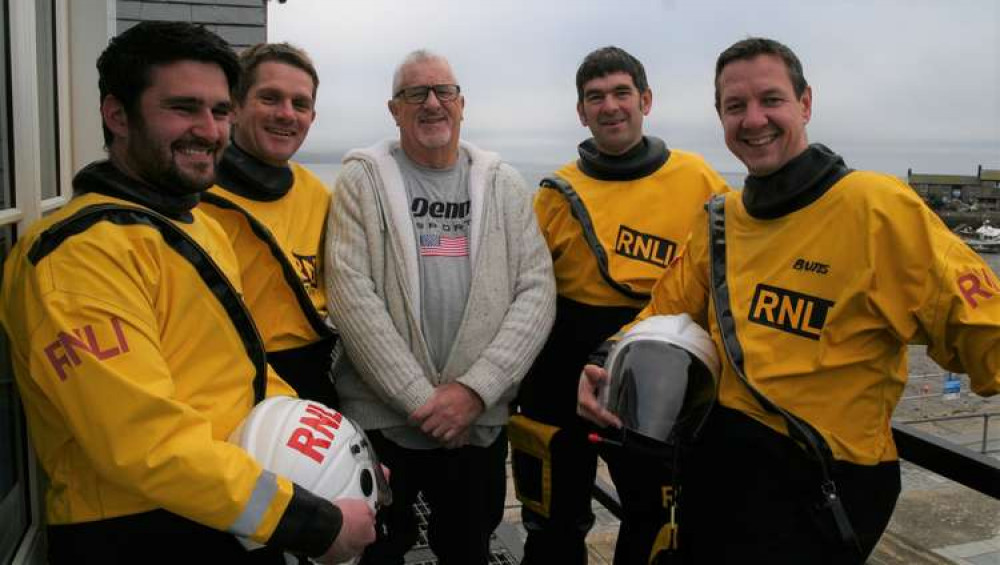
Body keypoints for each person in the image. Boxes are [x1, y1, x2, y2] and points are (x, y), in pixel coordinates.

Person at [578, 37, 1000, 563]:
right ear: (721, 117)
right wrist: (602, 361)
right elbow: (665, 310)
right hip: (717, 469)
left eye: (770, 100)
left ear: (804, 103)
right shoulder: (720, 219)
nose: (754, 120)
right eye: (736, 106)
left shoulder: (878, 208)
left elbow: (984, 329)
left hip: (822, 483)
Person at [0, 22, 374, 564]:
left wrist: (340, 458)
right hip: (137, 531)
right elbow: (144, 445)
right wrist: (312, 523)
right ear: (117, 115)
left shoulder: (195, 225)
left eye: (220, 111)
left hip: (229, 505)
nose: (209, 130)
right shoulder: (76, 258)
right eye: (183, 108)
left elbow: (245, 372)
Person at [324, 49, 556, 565]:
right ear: (394, 109)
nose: (432, 103)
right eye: (415, 93)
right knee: (377, 550)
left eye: (443, 91)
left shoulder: (504, 184)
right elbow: (350, 295)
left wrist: (475, 391)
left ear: (461, 103)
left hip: (477, 423)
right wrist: (420, 400)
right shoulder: (361, 183)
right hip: (384, 423)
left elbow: (537, 291)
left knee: (468, 545)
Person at [512, 46, 727, 565]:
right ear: (581, 112)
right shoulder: (555, 193)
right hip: (559, 369)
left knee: (652, 521)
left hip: (655, 369)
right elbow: (522, 290)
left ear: (646, 100)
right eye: (595, 97)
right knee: (552, 519)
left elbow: (726, 282)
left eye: (621, 93)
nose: (610, 106)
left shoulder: (698, 180)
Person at [199, 42, 338, 407]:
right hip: (230, 382)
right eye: (270, 98)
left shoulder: (317, 196)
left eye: (300, 104)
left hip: (316, 381)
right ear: (236, 107)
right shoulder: (194, 200)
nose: (286, 114)